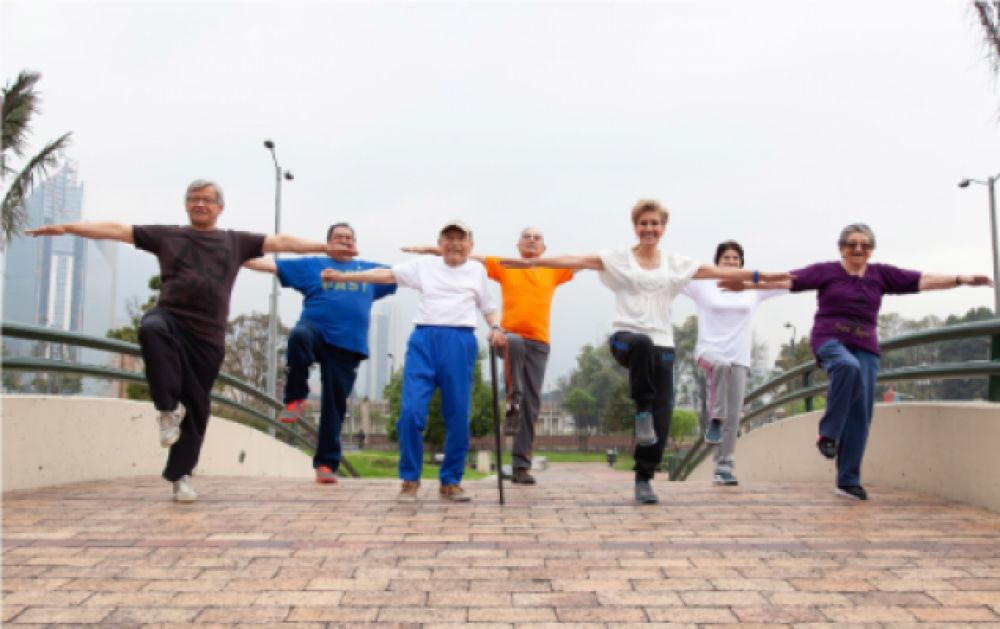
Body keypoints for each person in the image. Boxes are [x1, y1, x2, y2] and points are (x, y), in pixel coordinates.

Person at [26, 179, 347, 503]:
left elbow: (281, 241)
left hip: (207, 337)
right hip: (171, 318)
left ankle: (182, 476)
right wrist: (67, 227)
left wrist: (323, 248)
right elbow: (117, 230)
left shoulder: (235, 241)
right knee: (152, 327)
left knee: (197, 406)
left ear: (220, 207)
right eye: (193, 199)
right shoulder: (168, 235)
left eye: (207, 199)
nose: (200, 204)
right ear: (185, 205)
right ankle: (167, 408)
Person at [500, 199, 793, 504]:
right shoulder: (620, 258)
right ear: (636, 227)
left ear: (663, 228)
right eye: (643, 223)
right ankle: (642, 413)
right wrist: (533, 262)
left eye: (654, 223)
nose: (649, 228)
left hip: (663, 345)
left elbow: (722, 272)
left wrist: (772, 278)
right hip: (626, 340)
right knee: (642, 345)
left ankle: (644, 479)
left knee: (662, 421)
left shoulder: (674, 263)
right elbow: (578, 260)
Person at [735, 223, 993, 501]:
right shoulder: (826, 271)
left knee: (861, 412)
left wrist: (963, 279)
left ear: (871, 250)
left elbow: (923, 280)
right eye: (852, 244)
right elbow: (785, 279)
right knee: (847, 367)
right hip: (830, 340)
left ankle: (847, 480)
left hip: (866, 346)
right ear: (841, 248)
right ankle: (828, 434)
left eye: (865, 245)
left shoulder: (881, 275)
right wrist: (743, 283)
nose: (858, 249)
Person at [321, 220, 506, 503]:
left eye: (461, 238)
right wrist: (342, 278)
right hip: (424, 341)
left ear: (470, 245)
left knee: (458, 415)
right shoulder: (424, 266)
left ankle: (451, 481)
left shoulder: (477, 271)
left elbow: (489, 309)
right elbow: (384, 275)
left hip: (460, 342)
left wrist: (496, 328)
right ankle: (410, 479)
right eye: (448, 238)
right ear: (440, 243)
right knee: (410, 412)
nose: (455, 243)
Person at [402, 227, 574, 485]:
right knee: (513, 344)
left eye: (537, 238)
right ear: (517, 245)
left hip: (539, 342)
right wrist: (430, 250)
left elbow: (580, 262)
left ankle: (520, 466)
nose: (531, 240)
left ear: (544, 248)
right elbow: (466, 254)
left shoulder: (553, 269)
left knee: (532, 404)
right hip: (504, 338)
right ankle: (513, 398)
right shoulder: (505, 265)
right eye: (526, 236)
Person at [243, 223, 395, 484]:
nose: (344, 241)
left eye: (348, 237)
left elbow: (406, 275)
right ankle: (295, 397)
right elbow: (268, 265)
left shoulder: (369, 269)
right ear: (328, 242)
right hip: (316, 330)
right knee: (299, 336)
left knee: (334, 406)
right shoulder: (312, 264)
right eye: (338, 237)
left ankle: (325, 464)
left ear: (355, 243)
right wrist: (231, 252)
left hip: (348, 344)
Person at [679, 240, 787, 487]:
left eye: (735, 258)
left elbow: (785, 284)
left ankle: (723, 468)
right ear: (717, 262)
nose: (731, 261)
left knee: (734, 417)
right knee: (721, 367)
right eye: (726, 258)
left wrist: (821, 277)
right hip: (709, 352)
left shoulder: (752, 288)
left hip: (739, 357)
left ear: (741, 263)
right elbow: (672, 277)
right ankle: (715, 419)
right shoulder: (702, 285)